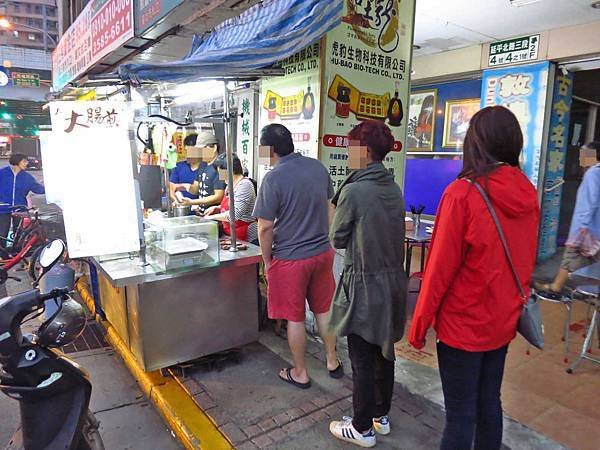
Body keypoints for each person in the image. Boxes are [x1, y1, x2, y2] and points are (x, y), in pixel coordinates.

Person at [408, 106, 540, 450]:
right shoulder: (528, 192)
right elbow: (526, 261)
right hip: (503, 322)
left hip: (462, 326)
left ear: (475, 143)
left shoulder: (463, 193)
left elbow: (437, 271)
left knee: (460, 414)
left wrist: (419, 325)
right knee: (489, 403)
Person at [328, 121, 407, 448]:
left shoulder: (355, 190)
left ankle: (362, 428)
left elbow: (337, 238)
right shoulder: (392, 186)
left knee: (361, 356)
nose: (348, 153)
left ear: (365, 151)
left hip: (364, 284)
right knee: (383, 353)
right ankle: (380, 415)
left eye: (351, 147)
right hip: (392, 283)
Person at [253, 123, 342, 389]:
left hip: (291, 260)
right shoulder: (317, 167)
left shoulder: (273, 178)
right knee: (324, 310)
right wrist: (326, 240)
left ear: (269, 149)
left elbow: (265, 226)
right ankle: (332, 361)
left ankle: (300, 372)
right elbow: (330, 206)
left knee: (295, 317)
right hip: (322, 253)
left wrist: (267, 261)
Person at [535, 141, 600, 293]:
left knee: (570, 257)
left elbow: (588, 204)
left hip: (586, 229)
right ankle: (590, 292)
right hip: (595, 230)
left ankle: (556, 286)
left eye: (584, 154)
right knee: (590, 261)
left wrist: (581, 229)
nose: (581, 158)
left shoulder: (592, 174)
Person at [205, 154, 258, 244]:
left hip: (248, 238)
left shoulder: (244, 185)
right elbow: (232, 205)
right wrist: (217, 208)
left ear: (231, 171)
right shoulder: (230, 185)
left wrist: (210, 218)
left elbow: (234, 215)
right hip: (232, 235)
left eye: (221, 172)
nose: (220, 176)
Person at [173, 131, 225, 214]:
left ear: (214, 148)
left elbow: (219, 196)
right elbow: (196, 188)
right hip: (202, 215)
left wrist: (192, 202)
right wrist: (182, 186)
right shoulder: (202, 164)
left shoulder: (223, 166)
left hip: (216, 216)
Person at [0, 153, 45, 248]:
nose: (26, 163)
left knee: (19, 234)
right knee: (2, 233)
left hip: (20, 209)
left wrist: (51, 188)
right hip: (3, 208)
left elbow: (38, 189)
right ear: (16, 162)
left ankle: (16, 252)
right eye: (24, 161)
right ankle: (2, 256)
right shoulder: (3, 173)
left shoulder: (27, 177)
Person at [169, 142, 202, 206]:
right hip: (181, 206)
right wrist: (176, 200)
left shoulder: (206, 167)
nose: (188, 155)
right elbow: (171, 188)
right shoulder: (178, 166)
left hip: (201, 208)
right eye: (186, 151)